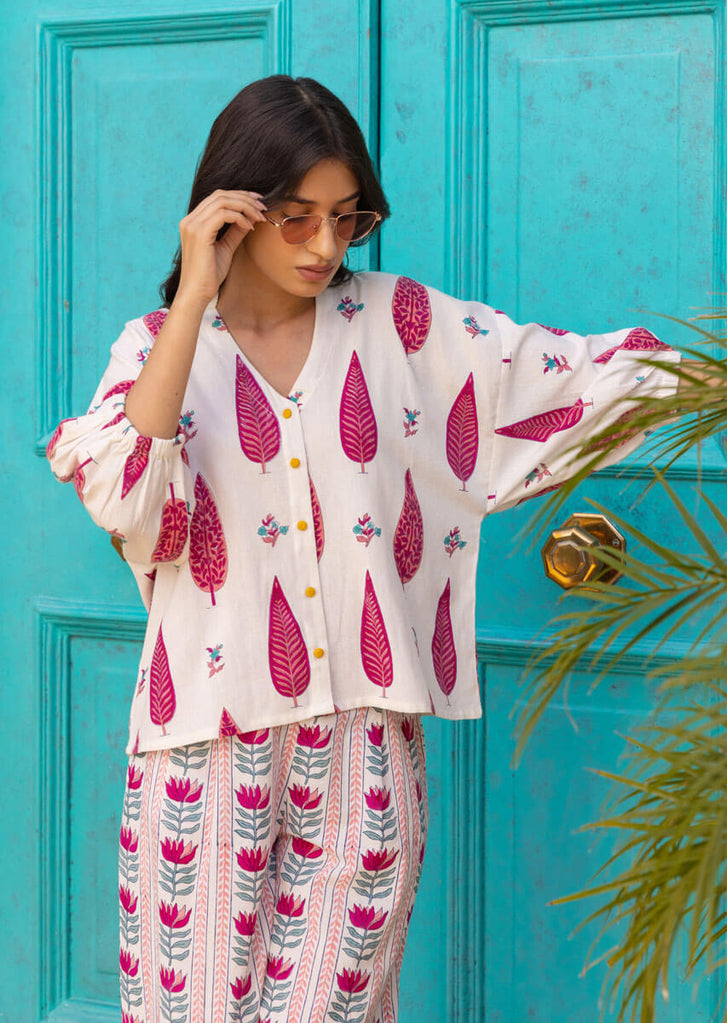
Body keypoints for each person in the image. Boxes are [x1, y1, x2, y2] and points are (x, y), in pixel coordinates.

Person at [47, 75, 681, 1023]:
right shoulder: (157, 351)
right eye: (295, 218)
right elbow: (129, 498)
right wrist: (193, 301)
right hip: (202, 751)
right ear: (231, 211)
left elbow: (553, 378)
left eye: (347, 218)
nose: (324, 246)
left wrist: (715, 378)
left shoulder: (400, 324)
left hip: (366, 748)